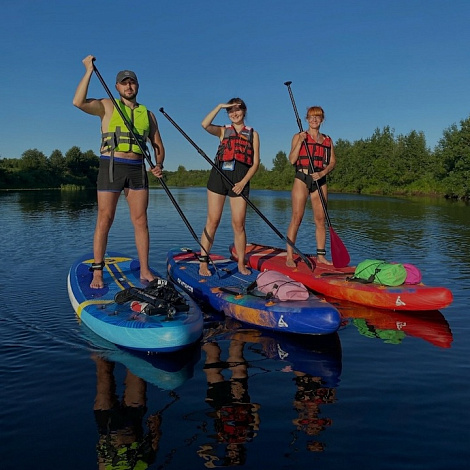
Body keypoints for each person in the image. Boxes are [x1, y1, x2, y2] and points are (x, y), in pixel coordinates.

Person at [73, 55, 165, 289]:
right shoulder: (107, 105)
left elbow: (158, 146)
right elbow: (78, 101)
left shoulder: (148, 114)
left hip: (137, 169)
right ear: (117, 87)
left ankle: (145, 269)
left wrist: (158, 164)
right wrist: (88, 71)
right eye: (124, 83)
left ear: (137, 85)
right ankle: (97, 271)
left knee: (141, 220)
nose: (128, 86)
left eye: (132, 82)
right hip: (111, 166)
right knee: (105, 219)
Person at [197, 99, 260, 277]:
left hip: (240, 179)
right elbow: (204, 124)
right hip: (219, 176)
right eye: (230, 111)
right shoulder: (223, 130)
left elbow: (255, 163)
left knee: (238, 224)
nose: (234, 113)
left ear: (244, 111)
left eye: (237, 110)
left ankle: (241, 264)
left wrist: (243, 182)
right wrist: (219, 106)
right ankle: (203, 263)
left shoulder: (253, 134)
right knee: (213, 221)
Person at [286, 106, 336, 267]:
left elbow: (332, 162)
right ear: (306, 119)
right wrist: (300, 141)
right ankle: (289, 256)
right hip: (302, 178)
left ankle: (321, 256)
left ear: (322, 119)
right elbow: (292, 160)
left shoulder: (327, 139)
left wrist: (323, 173)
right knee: (297, 217)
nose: (314, 120)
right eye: (311, 117)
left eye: (318, 117)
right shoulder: (299, 136)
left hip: (320, 181)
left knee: (320, 220)